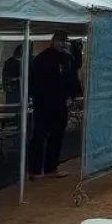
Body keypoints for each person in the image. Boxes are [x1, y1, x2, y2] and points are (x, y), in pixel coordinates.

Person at [28, 31, 80, 180]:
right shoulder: (42, 59)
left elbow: (71, 79)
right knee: (39, 136)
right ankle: (35, 169)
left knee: (57, 136)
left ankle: (51, 167)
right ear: (53, 41)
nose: (63, 43)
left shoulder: (68, 59)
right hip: (43, 104)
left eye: (65, 41)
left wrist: (72, 95)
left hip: (61, 104)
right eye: (60, 40)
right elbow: (35, 81)